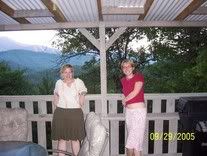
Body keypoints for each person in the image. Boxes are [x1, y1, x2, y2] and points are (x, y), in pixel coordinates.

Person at [51, 64, 87, 156]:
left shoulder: (78, 82)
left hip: (75, 113)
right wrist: (55, 97)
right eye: (65, 72)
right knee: (61, 139)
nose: (68, 74)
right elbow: (55, 98)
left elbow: (82, 97)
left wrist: (82, 95)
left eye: (70, 72)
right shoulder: (58, 83)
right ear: (62, 73)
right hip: (60, 113)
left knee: (75, 139)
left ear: (72, 73)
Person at [120, 59, 147, 156]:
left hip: (138, 112)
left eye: (128, 66)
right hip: (129, 112)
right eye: (124, 67)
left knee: (132, 143)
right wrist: (124, 99)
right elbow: (124, 93)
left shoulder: (138, 77)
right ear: (122, 69)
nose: (126, 68)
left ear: (133, 67)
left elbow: (135, 92)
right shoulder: (123, 80)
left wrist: (125, 100)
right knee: (135, 143)